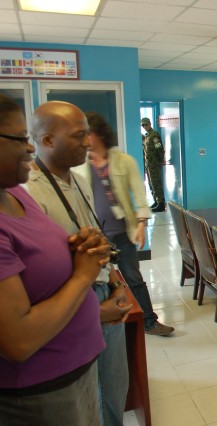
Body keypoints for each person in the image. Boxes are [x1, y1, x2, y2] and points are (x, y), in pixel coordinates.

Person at [0, 93, 110, 425]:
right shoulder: (28, 186)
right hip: (40, 390)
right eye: (20, 139)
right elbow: (18, 341)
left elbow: (51, 249)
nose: (30, 148)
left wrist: (84, 246)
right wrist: (83, 275)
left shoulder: (15, 193)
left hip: (75, 368)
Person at [26, 101, 131, 426]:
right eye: (78, 136)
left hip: (103, 294)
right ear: (46, 141)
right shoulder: (29, 194)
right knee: (85, 402)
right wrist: (95, 312)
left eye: (88, 134)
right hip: (71, 310)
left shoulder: (80, 182)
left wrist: (115, 284)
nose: (88, 143)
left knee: (114, 391)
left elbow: (96, 241)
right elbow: (37, 282)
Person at [75, 112, 174, 336]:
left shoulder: (123, 161)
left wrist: (141, 224)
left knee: (133, 278)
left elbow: (140, 196)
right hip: (95, 236)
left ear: (97, 134)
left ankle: (149, 321)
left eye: (86, 133)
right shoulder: (78, 165)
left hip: (122, 233)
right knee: (98, 282)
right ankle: (107, 322)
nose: (82, 139)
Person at [140, 117, 165, 212]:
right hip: (149, 164)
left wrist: (161, 160)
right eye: (143, 125)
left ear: (150, 124)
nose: (144, 127)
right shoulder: (147, 136)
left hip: (154, 164)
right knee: (151, 184)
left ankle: (161, 204)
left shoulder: (154, 135)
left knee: (156, 184)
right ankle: (156, 201)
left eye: (145, 124)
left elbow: (159, 148)